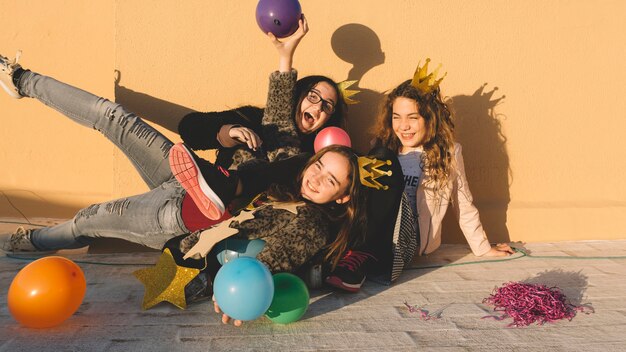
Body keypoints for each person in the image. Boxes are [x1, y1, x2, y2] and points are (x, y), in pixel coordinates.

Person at [325, 59, 514, 293]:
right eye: (396, 117)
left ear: (430, 118)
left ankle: (363, 260)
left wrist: (483, 248)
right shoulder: (383, 149)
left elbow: (463, 202)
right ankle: (350, 259)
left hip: (409, 242)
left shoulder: (449, 153)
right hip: (378, 231)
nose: (403, 126)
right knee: (376, 157)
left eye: (412, 117)